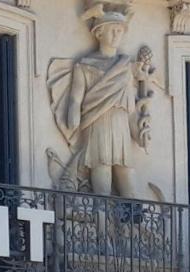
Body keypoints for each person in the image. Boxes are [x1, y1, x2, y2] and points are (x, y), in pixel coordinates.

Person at [49, 4, 140, 197]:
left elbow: (131, 110)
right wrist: (72, 118)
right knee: (102, 173)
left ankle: (135, 224)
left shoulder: (125, 67)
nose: (117, 34)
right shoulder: (85, 66)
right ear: (99, 33)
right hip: (96, 123)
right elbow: (75, 98)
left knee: (127, 178)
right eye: (113, 30)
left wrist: (139, 132)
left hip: (120, 126)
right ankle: (102, 219)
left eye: (120, 31)